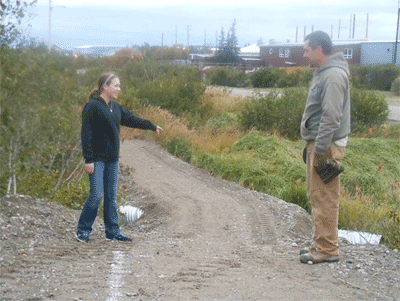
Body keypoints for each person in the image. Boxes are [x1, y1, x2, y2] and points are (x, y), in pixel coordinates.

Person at [76, 72, 162, 243]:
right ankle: (83, 230)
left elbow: (131, 119)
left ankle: (113, 232)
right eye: (115, 85)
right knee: (96, 194)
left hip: (112, 159)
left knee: (110, 196)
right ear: (104, 87)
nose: (118, 88)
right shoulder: (92, 106)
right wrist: (88, 159)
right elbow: (86, 133)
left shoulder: (115, 107)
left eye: (119, 85)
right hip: (97, 159)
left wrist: (151, 126)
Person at [299, 31, 351, 264]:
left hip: (326, 146)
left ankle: (327, 250)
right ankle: (320, 244)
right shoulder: (324, 73)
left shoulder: (332, 76)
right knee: (318, 195)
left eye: (307, 50)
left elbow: (332, 117)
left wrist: (319, 150)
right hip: (322, 143)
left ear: (320, 49)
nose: (304, 55)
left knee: (325, 198)